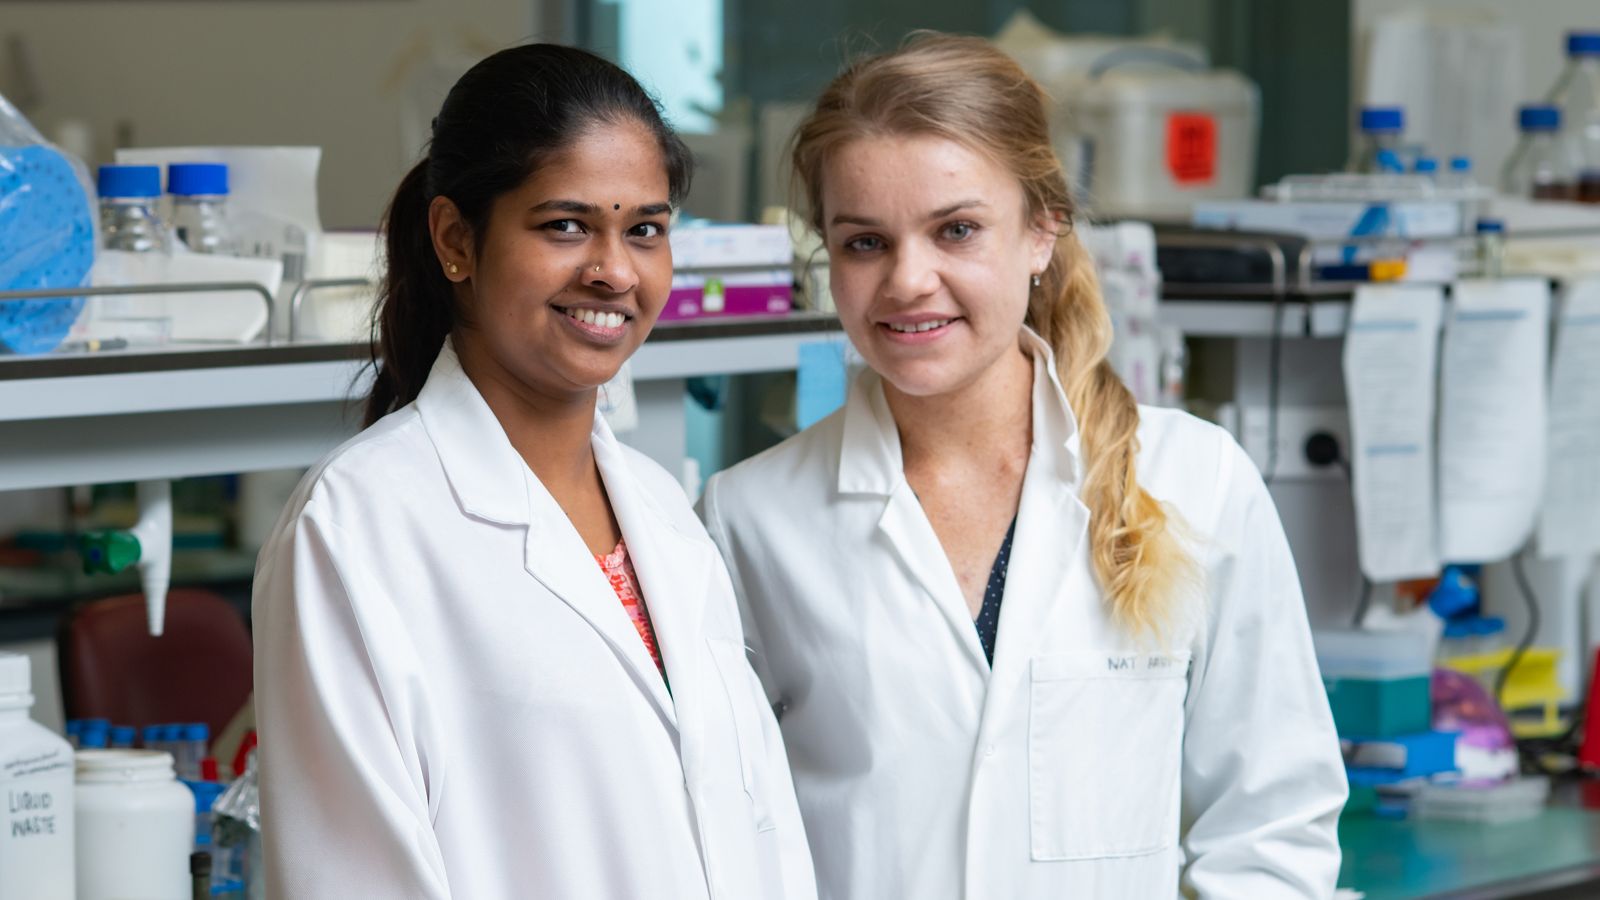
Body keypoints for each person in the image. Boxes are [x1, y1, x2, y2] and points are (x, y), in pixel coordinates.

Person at [699, 33, 1346, 899]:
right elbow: (731, 841)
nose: (907, 280)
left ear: (1043, 230)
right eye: (864, 243)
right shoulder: (750, 517)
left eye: (956, 230)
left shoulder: (1196, 480)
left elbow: (1273, 826)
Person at [253, 44, 815, 900]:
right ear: (456, 240)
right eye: (564, 225)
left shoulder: (664, 514)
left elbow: (762, 832)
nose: (615, 271)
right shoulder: (358, 526)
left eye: (646, 230)